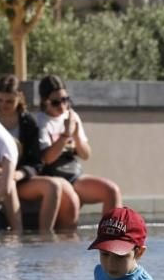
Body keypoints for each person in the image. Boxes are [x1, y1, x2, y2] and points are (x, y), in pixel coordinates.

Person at [0, 75, 79, 232]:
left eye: (9, 101)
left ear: (19, 98)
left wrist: (19, 174)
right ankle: (17, 233)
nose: (3, 105)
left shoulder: (28, 123)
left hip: (21, 176)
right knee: (7, 182)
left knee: (54, 185)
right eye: (0, 100)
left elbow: (36, 162)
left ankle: (45, 236)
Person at [37, 75, 122, 215]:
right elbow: (47, 159)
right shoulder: (41, 122)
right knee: (72, 202)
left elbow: (86, 154)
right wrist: (65, 135)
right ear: (44, 101)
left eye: (65, 100)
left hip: (74, 175)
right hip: (54, 176)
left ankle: (112, 235)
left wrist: (75, 135)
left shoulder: (72, 117)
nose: (62, 106)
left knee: (112, 190)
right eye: (55, 102)